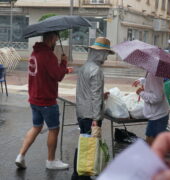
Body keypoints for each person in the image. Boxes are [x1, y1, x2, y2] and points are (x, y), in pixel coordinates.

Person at [15, 31, 72, 170]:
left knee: (36, 127)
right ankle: (51, 161)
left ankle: (20, 156)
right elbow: (57, 75)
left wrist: (63, 68)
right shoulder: (48, 56)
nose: (55, 42)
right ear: (52, 39)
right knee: (54, 129)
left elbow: (45, 73)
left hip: (34, 99)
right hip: (46, 100)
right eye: (55, 40)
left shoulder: (35, 54)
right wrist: (63, 63)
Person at [71, 37, 114, 180]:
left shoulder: (84, 67)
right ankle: (83, 175)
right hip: (91, 115)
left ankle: (77, 173)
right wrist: (96, 118)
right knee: (90, 146)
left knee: (84, 142)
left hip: (82, 112)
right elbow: (95, 96)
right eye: (105, 53)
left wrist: (102, 95)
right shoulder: (96, 70)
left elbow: (88, 91)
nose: (106, 57)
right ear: (99, 53)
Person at [133, 73, 170, 145]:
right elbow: (151, 84)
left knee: (151, 146)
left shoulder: (153, 75)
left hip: (157, 117)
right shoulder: (152, 73)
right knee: (153, 145)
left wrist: (141, 93)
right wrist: (141, 80)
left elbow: (157, 97)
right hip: (159, 114)